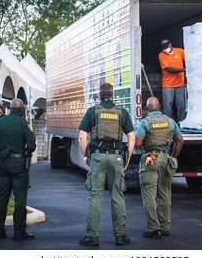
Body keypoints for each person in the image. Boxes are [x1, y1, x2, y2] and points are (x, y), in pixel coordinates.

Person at [78, 82, 135, 246]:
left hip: (97, 157)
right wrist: (128, 158)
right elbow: (131, 137)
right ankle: (120, 236)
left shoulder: (92, 111)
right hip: (116, 158)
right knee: (117, 196)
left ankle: (92, 236)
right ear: (113, 95)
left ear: (99, 95)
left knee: (95, 196)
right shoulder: (121, 112)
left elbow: (82, 137)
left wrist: (85, 156)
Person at [0, 98, 36, 240]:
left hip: (3, 163)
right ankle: (19, 232)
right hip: (19, 165)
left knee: (1, 197)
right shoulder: (23, 123)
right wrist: (25, 151)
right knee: (20, 199)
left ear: (9, 109)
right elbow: (31, 146)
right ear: (21, 109)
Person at [135, 97, 184, 239]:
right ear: (160, 106)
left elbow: (138, 143)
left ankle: (153, 228)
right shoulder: (170, 121)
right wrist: (173, 157)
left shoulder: (144, 123)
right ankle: (165, 227)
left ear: (146, 107)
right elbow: (180, 141)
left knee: (149, 195)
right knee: (164, 194)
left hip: (150, 159)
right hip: (165, 159)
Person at [158, 38, 186, 123]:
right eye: (163, 47)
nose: (165, 48)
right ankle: (168, 124)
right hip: (168, 84)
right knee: (168, 105)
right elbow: (169, 70)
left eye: (166, 46)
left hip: (180, 83)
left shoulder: (180, 51)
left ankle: (181, 123)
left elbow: (189, 60)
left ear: (170, 44)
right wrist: (184, 70)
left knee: (181, 105)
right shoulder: (161, 55)